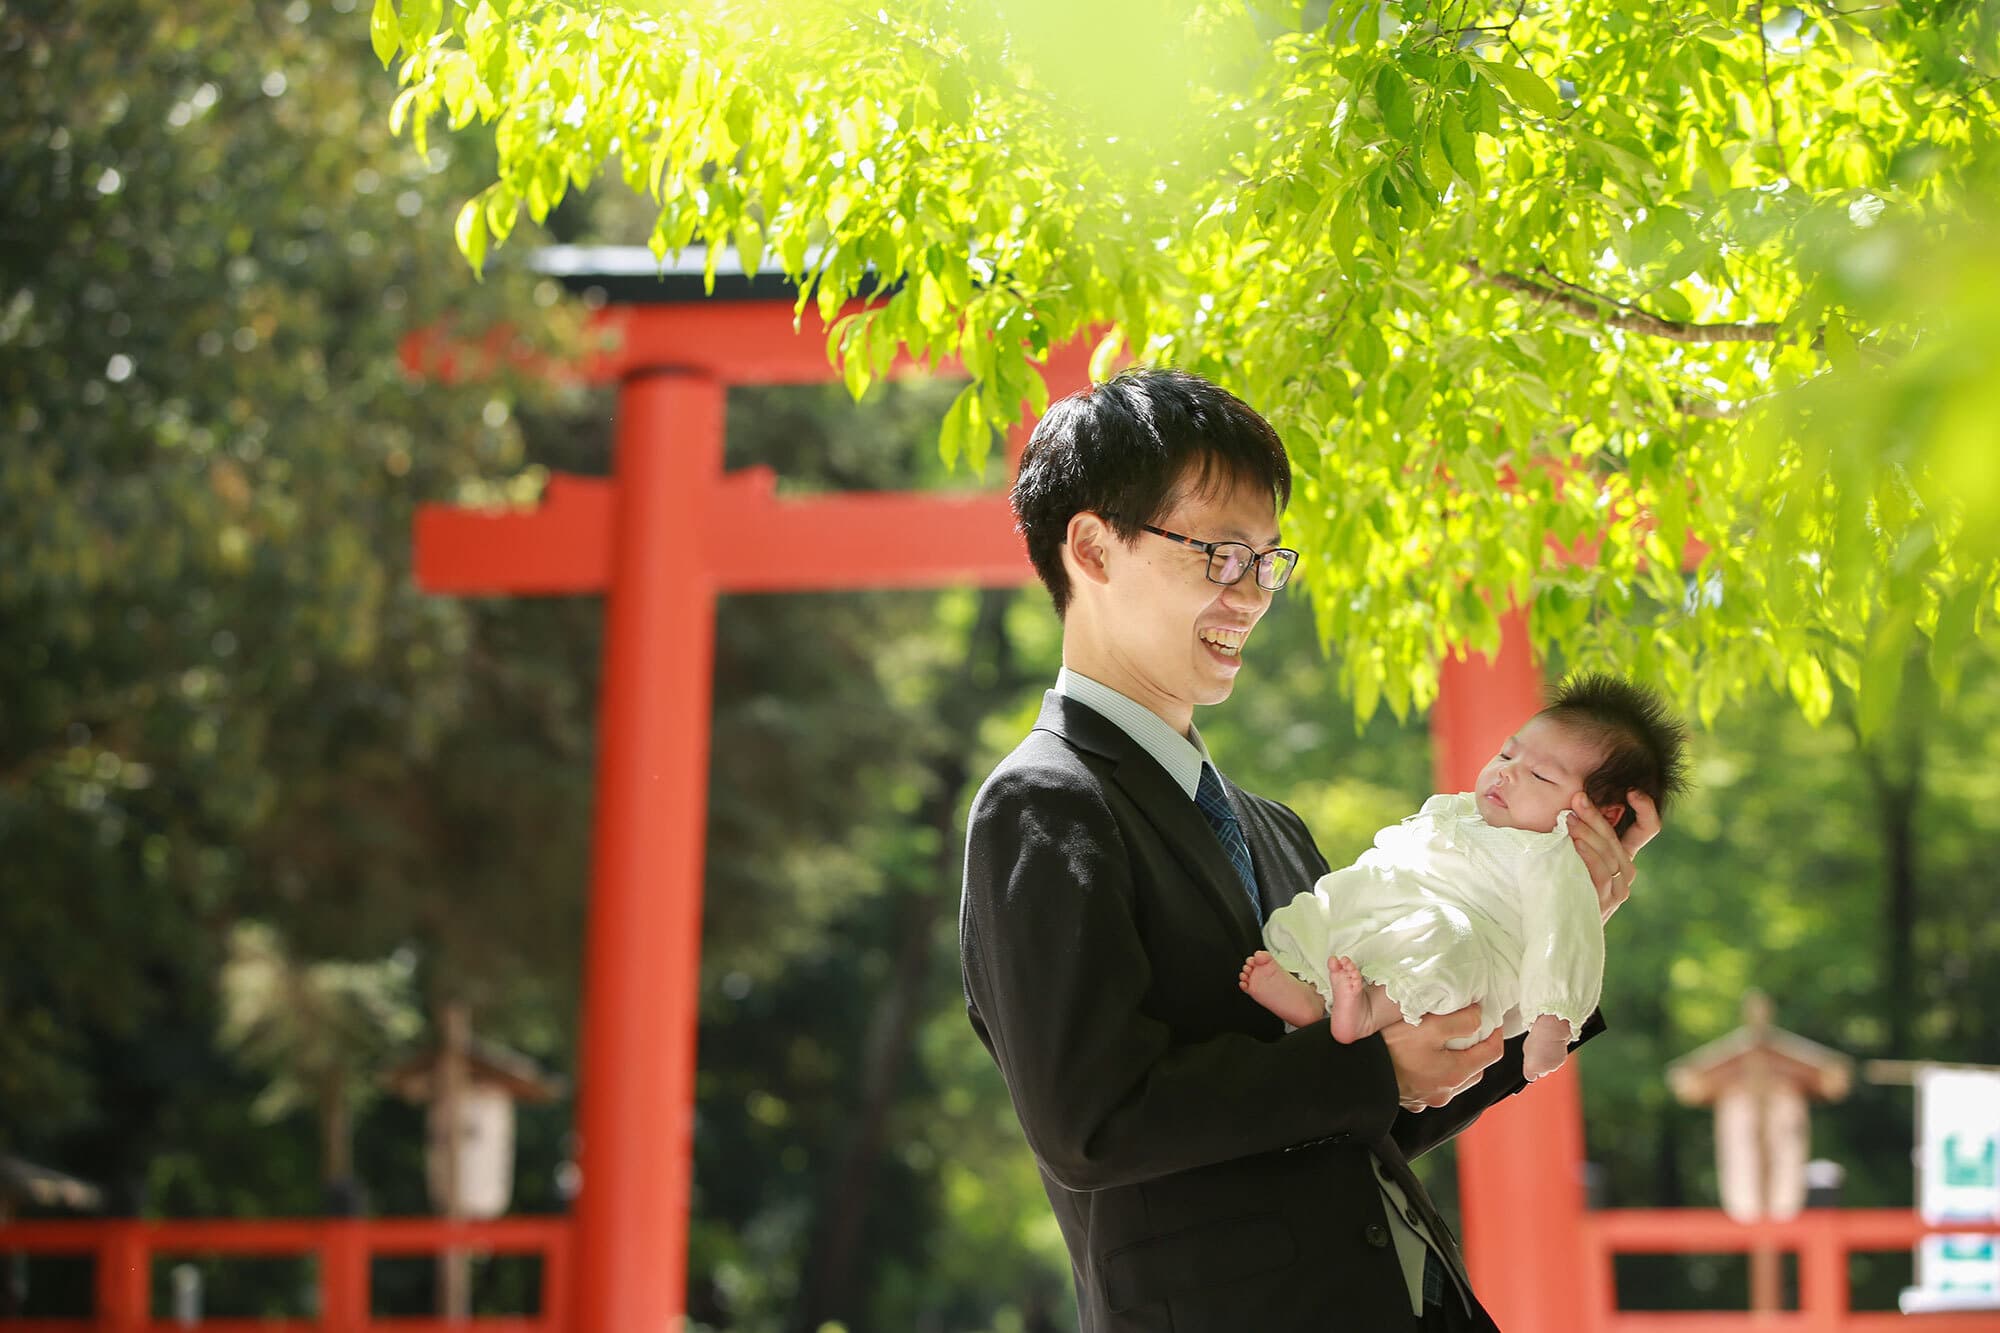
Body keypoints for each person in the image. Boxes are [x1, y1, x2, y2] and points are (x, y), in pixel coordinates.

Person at [958, 367, 1660, 1332]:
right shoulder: (1045, 803)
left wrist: (1548, 943)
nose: (1251, 594)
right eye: (1218, 555)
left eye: (1266, 560)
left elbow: (1350, 1118)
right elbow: (1093, 1120)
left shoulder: (1270, 827)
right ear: (1093, 546)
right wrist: (1369, 1074)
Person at [1239, 674, 1689, 1085]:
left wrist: (1553, 1023)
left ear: (1597, 815)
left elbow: (1565, 939)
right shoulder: (1464, 812)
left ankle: (1366, 1012)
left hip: (1466, 964)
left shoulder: (1551, 856)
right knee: (1333, 900)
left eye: (1539, 775)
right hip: (1391, 930)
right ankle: (1309, 986)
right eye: (1508, 753)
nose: (1506, 771)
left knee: (1446, 933)